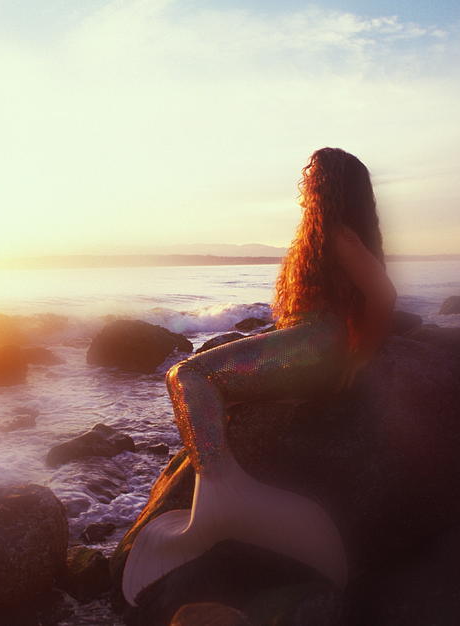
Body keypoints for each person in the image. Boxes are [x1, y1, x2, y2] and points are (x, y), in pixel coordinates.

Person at [121, 147, 398, 607]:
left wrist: (359, 357)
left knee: (188, 373)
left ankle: (224, 491)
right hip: (310, 344)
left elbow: (384, 296)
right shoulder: (328, 236)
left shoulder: (338, 234)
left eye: (314, 179)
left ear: (327, 188)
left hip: (313, 348)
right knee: (200, 376)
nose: (306, 186)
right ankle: (221, 487)